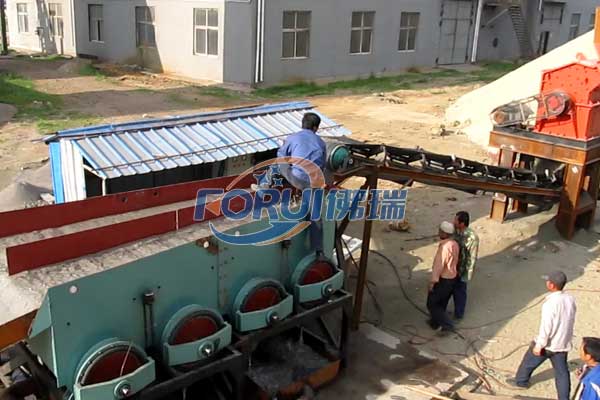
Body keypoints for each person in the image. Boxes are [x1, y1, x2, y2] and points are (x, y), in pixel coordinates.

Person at [509, 271, 577, 400]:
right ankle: (564, 398)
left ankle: (521, 381)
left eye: (548, 281)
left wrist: (539, 345)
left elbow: (547, 327)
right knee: (562, 373)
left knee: (528, 362)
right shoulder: (570, 299)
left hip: (548, 344)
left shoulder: (550, 303)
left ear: (551, 285)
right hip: (562, 343)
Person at [277, 112, 327, 255]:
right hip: (313, 182)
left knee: (278, 161)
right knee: (315, 215)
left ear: (302, 124)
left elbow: (282, 155)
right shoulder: (321, 142)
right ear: (316, 127)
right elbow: (323, 165)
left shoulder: (293, 138)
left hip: (296, 179)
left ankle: (263, 188)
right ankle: (318, 250)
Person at [427, 221, 459, 333]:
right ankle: (435, 322)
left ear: (445, 234)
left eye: (440, 231)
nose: (438, 232)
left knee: (432, 304)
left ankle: (447, 325)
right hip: (452, 278)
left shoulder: (444, 247)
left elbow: (438, 266)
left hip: (444, 279)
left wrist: (433, 282)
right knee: (442, 302)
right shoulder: (454, 244)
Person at [452, 211, 479, 320]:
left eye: (455, 220)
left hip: (462, 270)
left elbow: (472, 257)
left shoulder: (472, 237)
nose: (453, 222)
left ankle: (458, 315)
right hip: (453, 267)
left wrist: (466, 274)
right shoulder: (456, 231)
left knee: (460, 293)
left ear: (462, 223)